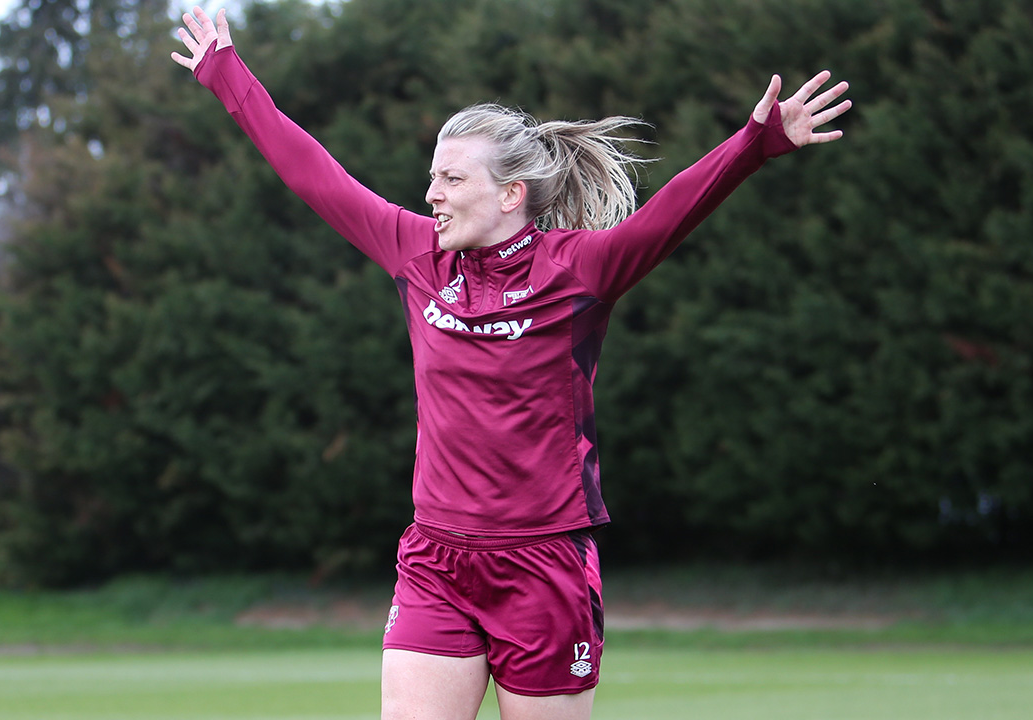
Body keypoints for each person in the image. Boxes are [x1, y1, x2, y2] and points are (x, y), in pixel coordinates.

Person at [172, 7, 851, 720]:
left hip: (544, 566)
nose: (431, 194)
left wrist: (755, 143)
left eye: (452, 179)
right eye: (433, 177)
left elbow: (674, 209)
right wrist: (227, 71)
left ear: (509, 195)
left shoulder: (581, 270)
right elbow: (313, 172)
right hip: (436, 558)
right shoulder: (416, 256)